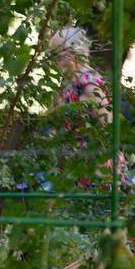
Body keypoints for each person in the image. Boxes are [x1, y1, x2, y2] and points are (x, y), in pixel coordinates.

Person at [49, 26, 124, 181]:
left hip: (94, 173)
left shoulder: (90, 86)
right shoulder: (73, 84)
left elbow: (108, 133)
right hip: (75, 171)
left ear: (73, 54)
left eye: (57, 56)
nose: (55, 63)